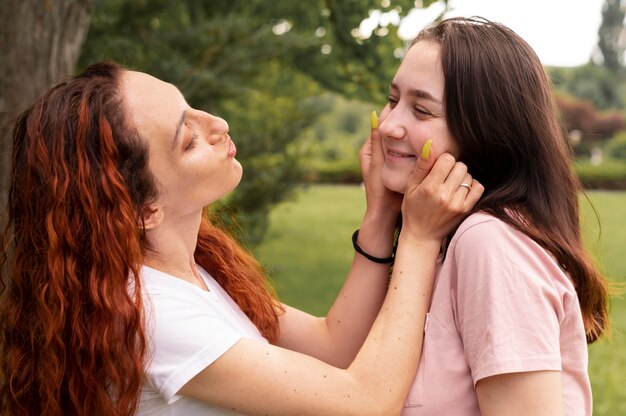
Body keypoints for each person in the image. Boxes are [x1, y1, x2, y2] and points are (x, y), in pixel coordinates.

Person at [0, 61, 483, 415]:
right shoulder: (148, 313)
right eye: (187, 140)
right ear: (145, 209)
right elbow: (362, 401)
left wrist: (380, 216)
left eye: (192, 107)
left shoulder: (195, 270)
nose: (217, 125)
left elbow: (333, 346)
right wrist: (418, 240)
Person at [374, 16, 609, 415]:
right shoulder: (441, 238)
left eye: (421, 110)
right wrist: (381, 216)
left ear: (484, 133)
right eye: (393, 100)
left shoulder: (490, 244)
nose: (388, 125)